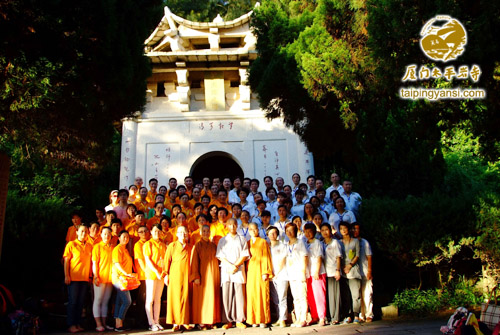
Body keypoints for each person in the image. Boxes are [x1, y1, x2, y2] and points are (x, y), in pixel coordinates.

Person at [216, 218, 249, 329]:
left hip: (238, 269)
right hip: (226, 270)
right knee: (226, 295)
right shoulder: (222, 240)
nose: (232, 226)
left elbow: (244, 254)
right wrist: (230, 266)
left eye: (234, 224)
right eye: (230, 224)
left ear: (237, 226)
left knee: (239, 295)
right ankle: (227, 320)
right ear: (226, 226)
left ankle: (239, 319)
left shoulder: (242, 239)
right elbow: (220, 255)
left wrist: (236, 265)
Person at [190, 224, 221, 329]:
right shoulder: (197, 245)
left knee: (212, 297)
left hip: (213, 276)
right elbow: (194, 262)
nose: (206, 233)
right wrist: (196, 276)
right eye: (204, 231)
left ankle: (212, 320)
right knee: (202, 299)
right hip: (202, 276)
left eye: (208, 231)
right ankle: (202, 321)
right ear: (200, 232)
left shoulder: (213, 246)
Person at [63, 224, 92, 333]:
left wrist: (89, 276)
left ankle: (78, 323)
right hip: (73, 278)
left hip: (84, 278)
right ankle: (71, 324)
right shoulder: (71, 244)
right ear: (77, 232)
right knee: (73, 302)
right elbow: (66, 261)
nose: (84, 233)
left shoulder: (89, 246)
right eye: (82, 231)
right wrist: (66, 275)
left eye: (85, 231)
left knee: (80, 302)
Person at [164, 226, 193, 331]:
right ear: (176, 234)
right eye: (180, 232)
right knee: (175, 298)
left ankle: (185, 321)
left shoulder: (190, 247)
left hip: (187, 275)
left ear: (188, 234)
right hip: (175, 275)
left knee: (186, 297)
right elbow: (167, 260)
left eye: (185, 232)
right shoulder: (172, 246)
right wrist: (166, 274)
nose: (183, 234)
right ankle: (175, 322)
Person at [246, 223, 273, 328]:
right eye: (251, 229)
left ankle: (263, 319)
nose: (253, 231)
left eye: (255, 229)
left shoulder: (263, 242)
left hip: (261, 270)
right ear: (248, 231)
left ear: (258, 230)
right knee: (252, 294)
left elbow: (266, 257)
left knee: (261, 294)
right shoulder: (248, 243)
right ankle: (254, 319)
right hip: (251, 271)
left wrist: (265, 271)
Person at [143, 224, 167, 331]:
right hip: (151, 274)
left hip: (161, 275)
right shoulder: (148, 244)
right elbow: (148, 260)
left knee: (158, 299)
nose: (157, 233)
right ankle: (151, 322)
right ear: (151, 232)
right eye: (155, 231)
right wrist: (156, 271)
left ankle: (156, 321)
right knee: (150, 299)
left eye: (159, 231)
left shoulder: (163, 245)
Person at [284, 222, 308, 327]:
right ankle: (298, 318)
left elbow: (305, 257)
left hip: (300, 272)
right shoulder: (286, 244)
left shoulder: (300, 242)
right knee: (296, 297)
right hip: (291, 274)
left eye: (291, 230)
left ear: (295, 231)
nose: (289, 232)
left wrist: (303, 272)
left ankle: (303, 319)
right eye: (287, 230)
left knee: (302, 296)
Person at [303, 223, 327, 326]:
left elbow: (319, 257)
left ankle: (322, 317)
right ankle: (314, 316)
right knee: (311, 296)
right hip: (308, 273)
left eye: (310, 231)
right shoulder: (305, 243)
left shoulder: (317, 242)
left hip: (317, 272)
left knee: (319, 295)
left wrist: (317, 271)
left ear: (314, 232)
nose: (308, 234)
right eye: (306, 232)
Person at [321, 222, 344, 325]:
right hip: (325, 273)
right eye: (322, 230)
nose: (325, 232)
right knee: (328, 296)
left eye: (326, 230)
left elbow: (338, 257)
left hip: (334, 271)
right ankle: (330, 316)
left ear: (330, 231)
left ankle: (336, 316)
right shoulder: (321, 243)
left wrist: (338, 270)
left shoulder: (335, 243)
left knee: (336, 295)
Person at [92, 227, 114, 332]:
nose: (107, 236)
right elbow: (94, 263)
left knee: (105, 301)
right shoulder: (97, 247)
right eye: (105, 234)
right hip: (100, 278)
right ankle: (98, 323)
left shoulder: (113, 247)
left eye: (109, 234)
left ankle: (104, 324)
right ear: (101, 235)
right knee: (98, 300)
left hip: (110, 278)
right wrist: (96, 276)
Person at [111, 230, 134, 331]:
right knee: (127, 301)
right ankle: (120, 320)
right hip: (119, 278)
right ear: (119, 238)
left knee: (119, 301)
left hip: (124, 279)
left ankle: (118, 324)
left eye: (127, 237)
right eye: (123, 237)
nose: (125, 239)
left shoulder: (125, 249)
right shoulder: (117, 249)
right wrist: (125, 273)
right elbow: (117, 264)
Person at [339, 221, 361, 324]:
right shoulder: (339, 242)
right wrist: (343, 267)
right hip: (343, 271)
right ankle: (348, 315)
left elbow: (357, 255)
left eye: (345, 228)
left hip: (353, 270)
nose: (343, 230)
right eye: (341, 229)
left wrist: (350, 265)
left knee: (355, 294)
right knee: (346, 295)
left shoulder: (355, 241)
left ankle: (356, 314)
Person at [267, 226, 288, 328]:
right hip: (271, 276)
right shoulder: (267, 247)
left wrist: (278, 272)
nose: (272, 235)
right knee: (275, 299)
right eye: (270, 233)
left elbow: (284, 260)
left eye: (274, 233)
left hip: (282, 274)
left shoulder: (282, 245)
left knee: (282, 297)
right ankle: (279, 318)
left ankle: (283, 319)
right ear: (267, 235)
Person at [352, 223, 373, 322]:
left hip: (364, 271)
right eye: (353, 229)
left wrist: (369, 270)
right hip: (355, 273)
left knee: (367, 293)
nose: (354, 231)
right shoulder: (351, 242)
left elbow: (369, 257)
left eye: (356, 229)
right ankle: (361, 314)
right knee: (358, 295)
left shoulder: (365, 242)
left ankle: (369, 314)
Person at [134, 226, 150, 328]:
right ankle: (140, 322)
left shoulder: (149, 243)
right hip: (143, 275)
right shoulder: (138, 245)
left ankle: (147, 320)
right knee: (142, 299)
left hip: (150, 275)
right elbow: (140, 260)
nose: (143, 233)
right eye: (141, 232)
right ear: (138, 234)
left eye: (145, 231)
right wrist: (146, 272)